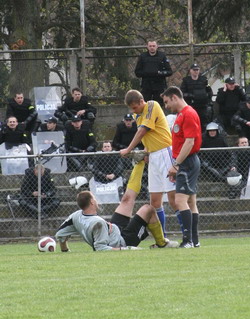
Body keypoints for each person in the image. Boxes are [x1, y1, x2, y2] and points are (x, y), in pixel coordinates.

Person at [119, 90, 176, 236]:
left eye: (135, 107)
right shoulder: (137, 115)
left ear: (141, 101)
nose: (133, 111)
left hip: (165, 152)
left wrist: (129, 149)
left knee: (174, 198)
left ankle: (189, 237)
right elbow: (149, 135)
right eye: (131, 108)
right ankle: (162, 239)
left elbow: (143, 131)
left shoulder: (152, 105)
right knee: (155, 201)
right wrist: (146, 150)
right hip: (153, 156)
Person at [55, 190, 179, 251]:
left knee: (127, 199)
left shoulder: (76, 216)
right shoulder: (98, 223)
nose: (96, 200)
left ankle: (138, 164)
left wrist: (65, 250)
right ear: (92, 202)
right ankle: (161, 244)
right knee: (148, 209)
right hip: (123, 240)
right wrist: (126, 249)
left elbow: (60, 234)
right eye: (94, 198)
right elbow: (100, 248)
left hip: (115, 229)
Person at [162, 86, 202, 248]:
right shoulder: (180, 115)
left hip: (187, 162)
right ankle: (195, 240)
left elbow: (190, 141)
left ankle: (187, 240)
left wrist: (177, 164)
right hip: (186, 161)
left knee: (180, 200)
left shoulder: (188, 114)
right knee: (191, 201)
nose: (166, 106)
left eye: (166, 102)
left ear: (174, 97)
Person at [134, 41, 172, 106]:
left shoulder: (162, 56)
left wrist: (159, 73)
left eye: (153, 46)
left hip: (159, 85)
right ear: (147, 47)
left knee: (159, 105)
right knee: (145, 105)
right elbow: (137, 72)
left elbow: (169, 71)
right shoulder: (143, 56)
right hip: (146, 86)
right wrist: (147, 73)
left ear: (157, 46)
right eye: (150, 46)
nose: (152, 48)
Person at [180, 63, 213, 130]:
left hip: (202, 105)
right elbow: (181, 93)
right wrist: (191, 96)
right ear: (190, 71)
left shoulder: (204, 80)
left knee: (204, 123)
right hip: (191, 106)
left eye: (197, 70)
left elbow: (209, 91)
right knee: (191, 124)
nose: (196, 71)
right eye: (194, 70)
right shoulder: (186, 80)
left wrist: (205, 96)